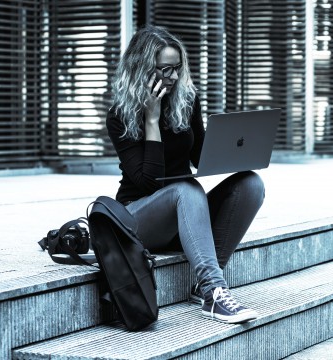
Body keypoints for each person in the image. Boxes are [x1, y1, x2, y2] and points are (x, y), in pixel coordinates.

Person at [106, 25, 265, 324]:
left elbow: (199, 158)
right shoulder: (119, 116)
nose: (175, 77)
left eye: (178, 68)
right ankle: (214, 293)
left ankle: (203, 283)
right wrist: (151, 120)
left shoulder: (186, 101)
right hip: (138, 220)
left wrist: (238, 149)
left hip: (183, 216)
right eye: (167, 70)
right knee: (187, 189)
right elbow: (147, 183)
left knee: (251, 184)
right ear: (143, 69)